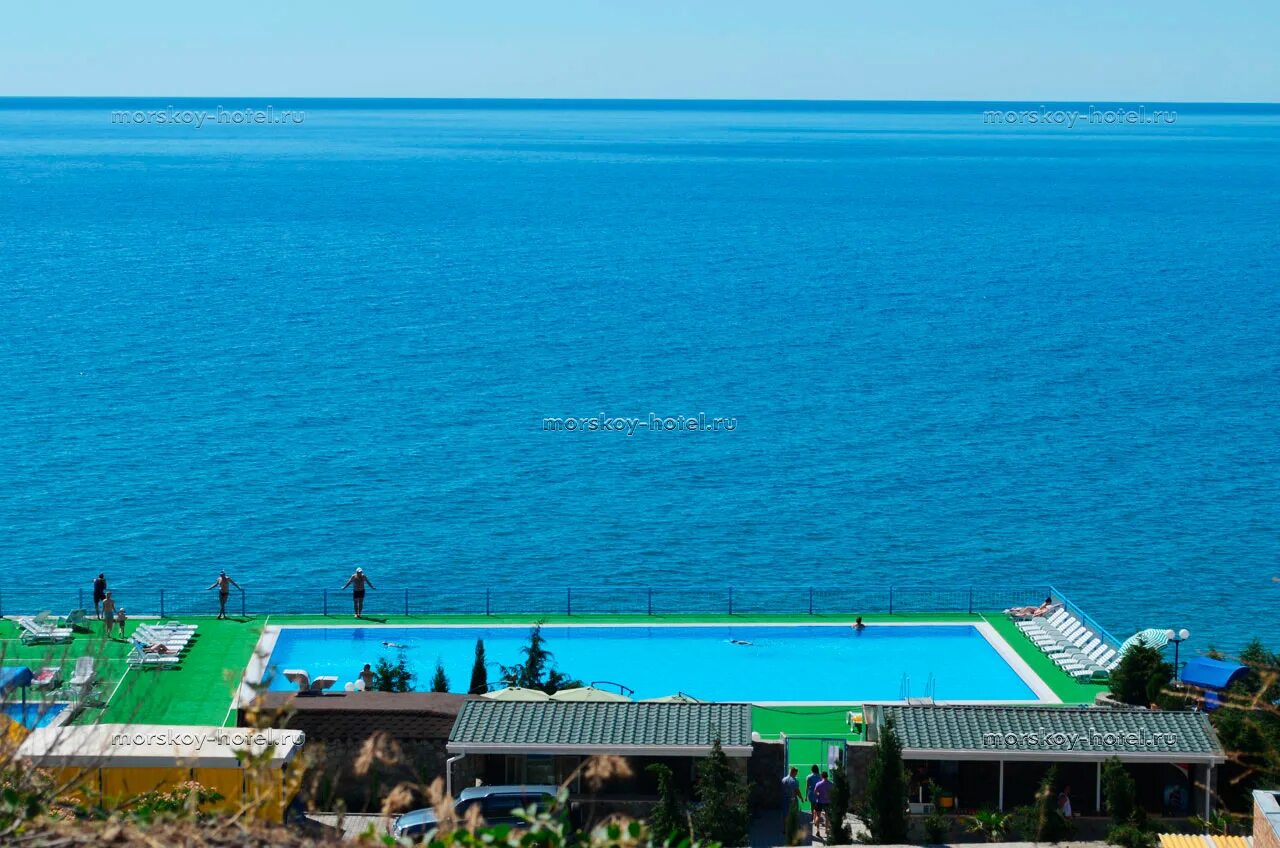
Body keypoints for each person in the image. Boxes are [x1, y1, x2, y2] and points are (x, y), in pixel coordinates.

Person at [812, 770, 834, 835]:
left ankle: (818, 830)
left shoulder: (818, 784)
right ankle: (826, 830)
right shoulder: (831, 784)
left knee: (818, 816)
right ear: (827, 776)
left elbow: (815, 792)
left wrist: (819, 794)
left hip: (819, 801)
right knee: (827, 817)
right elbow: (833, 793)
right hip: (828, 802)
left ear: (822, 776)